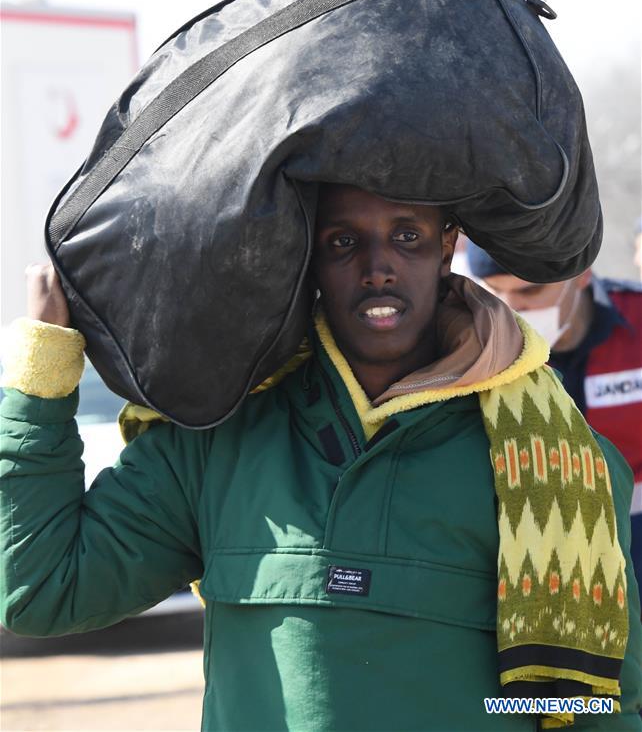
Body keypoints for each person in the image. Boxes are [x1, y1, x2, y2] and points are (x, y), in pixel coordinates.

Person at [2, 186, 642, 731]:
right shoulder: (217, 441)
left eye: (407, 237)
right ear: (306, 257)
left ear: (447, 247)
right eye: (343, 242)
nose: (378, 268)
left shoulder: (551, 463)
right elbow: (41, 590)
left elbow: (596, 707)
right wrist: (43, 373)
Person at [466, 242, 642, 601]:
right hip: (525, 544)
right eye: (495, 292)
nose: (512, 308)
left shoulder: (636, 317)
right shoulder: (473, 343)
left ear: (581, 275)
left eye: (530, 291)